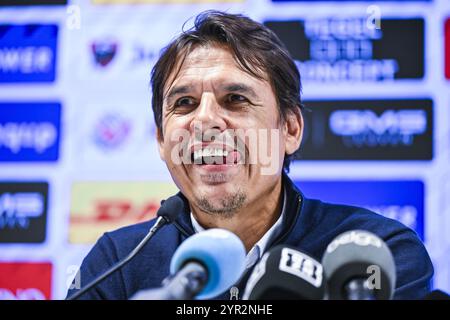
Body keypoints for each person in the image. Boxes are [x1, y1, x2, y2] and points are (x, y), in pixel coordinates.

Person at [67, 10, 433, 300]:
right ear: (162, 140)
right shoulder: (116, 263)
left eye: (235, 99)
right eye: (184, 103)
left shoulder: (375, 253)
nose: (206, 120)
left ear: (289, 129)